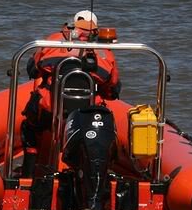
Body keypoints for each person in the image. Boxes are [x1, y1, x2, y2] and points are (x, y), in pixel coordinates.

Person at [20, 10, 121, 177]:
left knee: (29, 127)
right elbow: (112, 89)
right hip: (88, 115)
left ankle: (28, 175)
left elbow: (33, 69)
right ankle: (95, 171)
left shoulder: (52, 41)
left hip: (50, 110)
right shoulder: (104, 51)